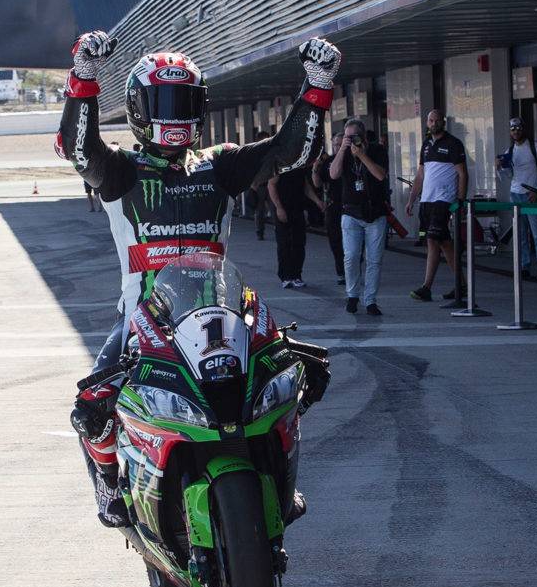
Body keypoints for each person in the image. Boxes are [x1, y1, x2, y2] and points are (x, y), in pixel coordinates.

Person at [56, 30, 339, 526]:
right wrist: (83, 75)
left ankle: (275, 478)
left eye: (184, 100)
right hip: (143, 323)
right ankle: (107, 484)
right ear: (140, 107)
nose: (174, 112)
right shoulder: (120, 171)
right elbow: (81, 151)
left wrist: (316, 86)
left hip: (221, 316)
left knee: (297, 379)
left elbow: (289, 153)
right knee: (90, 406)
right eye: (163, 100)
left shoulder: (220, 166)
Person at [407, 109, 468, 301]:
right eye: (430, 120)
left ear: (443, 122)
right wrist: (411, 199)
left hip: (443, 200)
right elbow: (420, 175)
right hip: (427, 201)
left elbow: (463, 174)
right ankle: (462, 284)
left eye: (437, 120)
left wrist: (460, 200)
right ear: (427, 123)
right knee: (441, 243)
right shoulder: (426, 145)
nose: (433, 123)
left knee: (436, 241)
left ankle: (427, 287)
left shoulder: (453, 144)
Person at [330, 117, 390, 315]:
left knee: (374, 259)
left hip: (375, 213)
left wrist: (363, 156)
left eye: (353, 136)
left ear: (363, 136)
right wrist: (341, 150)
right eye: (346, 136)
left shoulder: (377, 150)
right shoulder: (344, 153)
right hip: (351, 212)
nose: (349, 140)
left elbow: (380, 175)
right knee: (351, 256)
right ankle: (352, 295)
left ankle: (370, 300)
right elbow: (333, 174)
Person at [498, 117, 537, 279]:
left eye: (518, 128)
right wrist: (500, 168)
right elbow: (507, 176)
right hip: (515, 194)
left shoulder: (535, 146)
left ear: (524, 129)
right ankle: (524, 266)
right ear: (510, 132)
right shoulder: (510, 151)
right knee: (520, 234)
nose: (516, 131)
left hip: (531, 194)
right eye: (513, 129)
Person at [268, 162, 325, 288]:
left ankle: (296, 275)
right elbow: (271, 185)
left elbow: (305, 185)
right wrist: (279, 208)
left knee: (299, 242)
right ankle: (285, 276)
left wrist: (317, 201)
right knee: (284, 243)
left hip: (297, 207)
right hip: (283, 207)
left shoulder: (300, 164)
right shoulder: (279, 164)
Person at [313, 132, 345, 284]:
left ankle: (352, 267)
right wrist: (315, 168)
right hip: (334, 206)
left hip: (350, 206)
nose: (337, 147)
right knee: (335, 241)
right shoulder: (329, 161)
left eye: (340, 144)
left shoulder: (354, 159)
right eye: (335, 145)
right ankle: (341, 272)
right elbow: (318, 184)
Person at [250, 131, 273, 239]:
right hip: (259, 185)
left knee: (274, 208)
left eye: (267, 139)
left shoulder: (272, 151)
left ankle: (279, 229)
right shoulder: (254, 152)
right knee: (259, 211)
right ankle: (260, 232)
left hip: (271, 184)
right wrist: (253, 184)